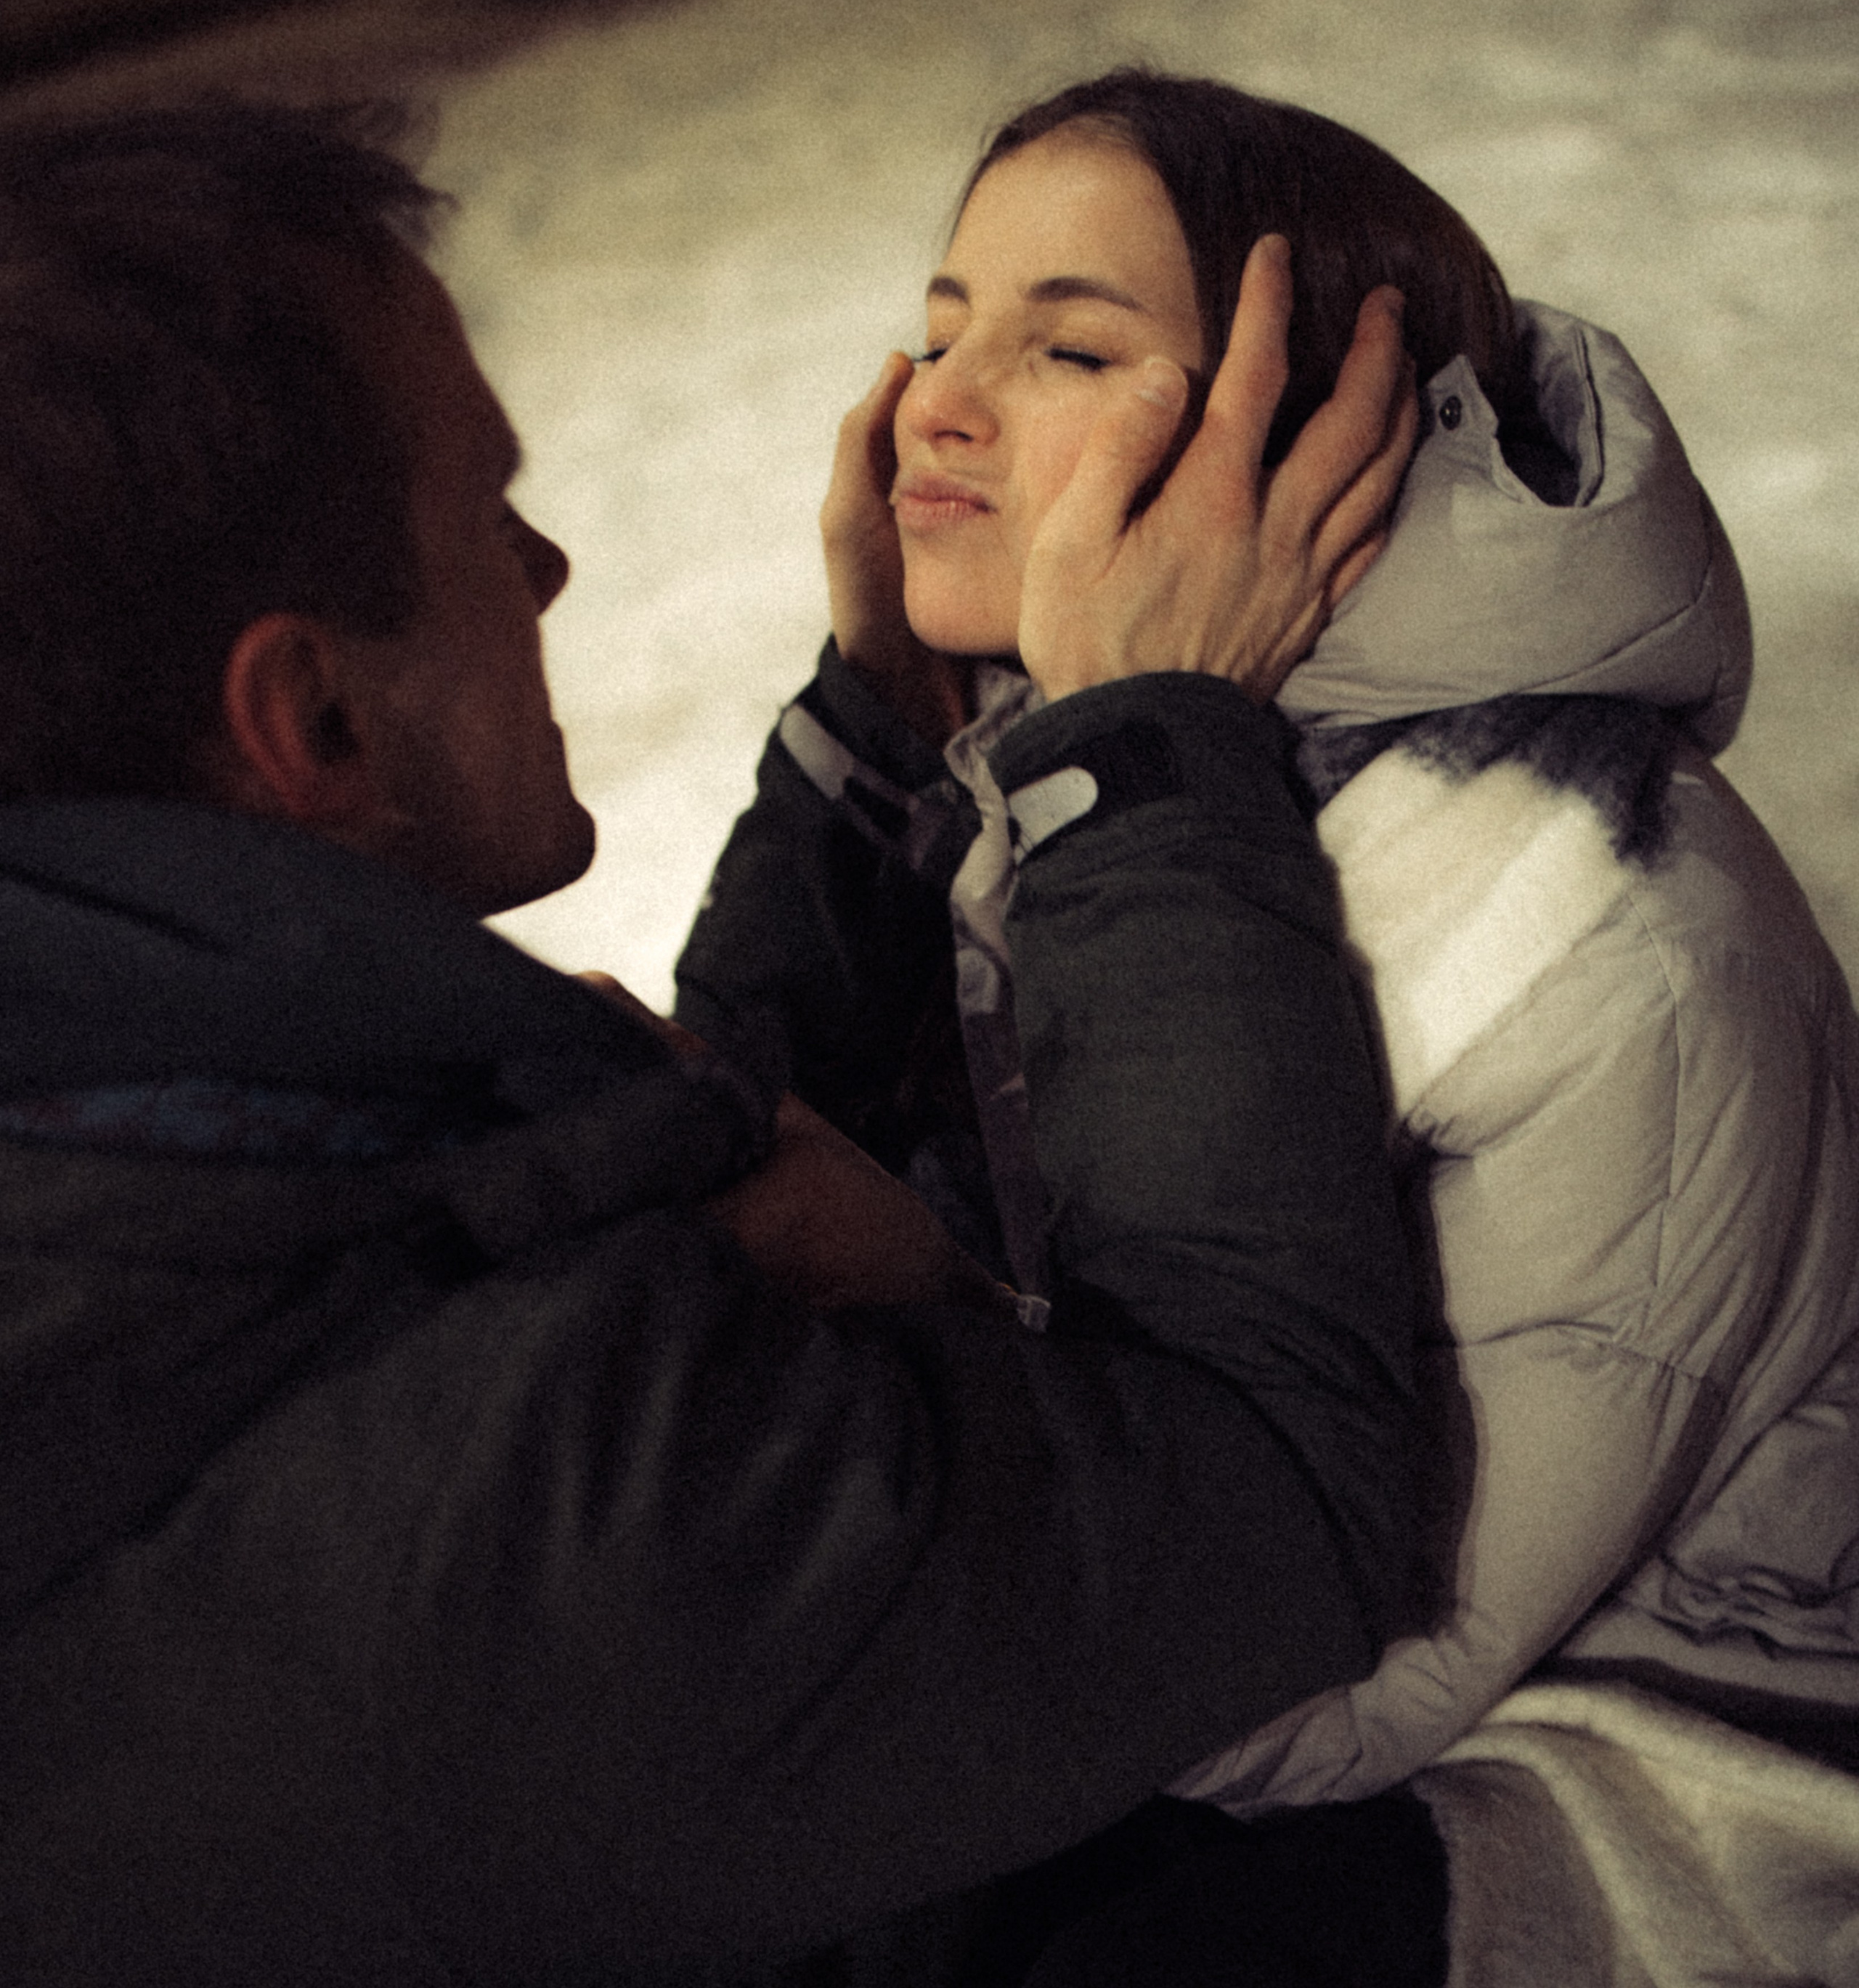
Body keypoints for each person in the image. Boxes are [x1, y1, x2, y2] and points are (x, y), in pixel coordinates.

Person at [0, 99, 1426, 1987]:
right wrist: (1144, 747)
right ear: (314, 720)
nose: (550, 565)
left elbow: (645, 1199)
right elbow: (1263, 1493)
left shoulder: (172, 1124)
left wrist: (875, 746)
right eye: (482, 516)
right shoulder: (471, 1547)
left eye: (1066, 344)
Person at [674, 69, 1859, 1981]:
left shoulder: (1595, 945)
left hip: (1645, 1825)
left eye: (1067, 346)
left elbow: (1294, 1703)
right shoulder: (1096, 770)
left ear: (1315, 435)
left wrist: (907, 1299)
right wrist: (884, 724)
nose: (937, 404)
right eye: (939, 327)